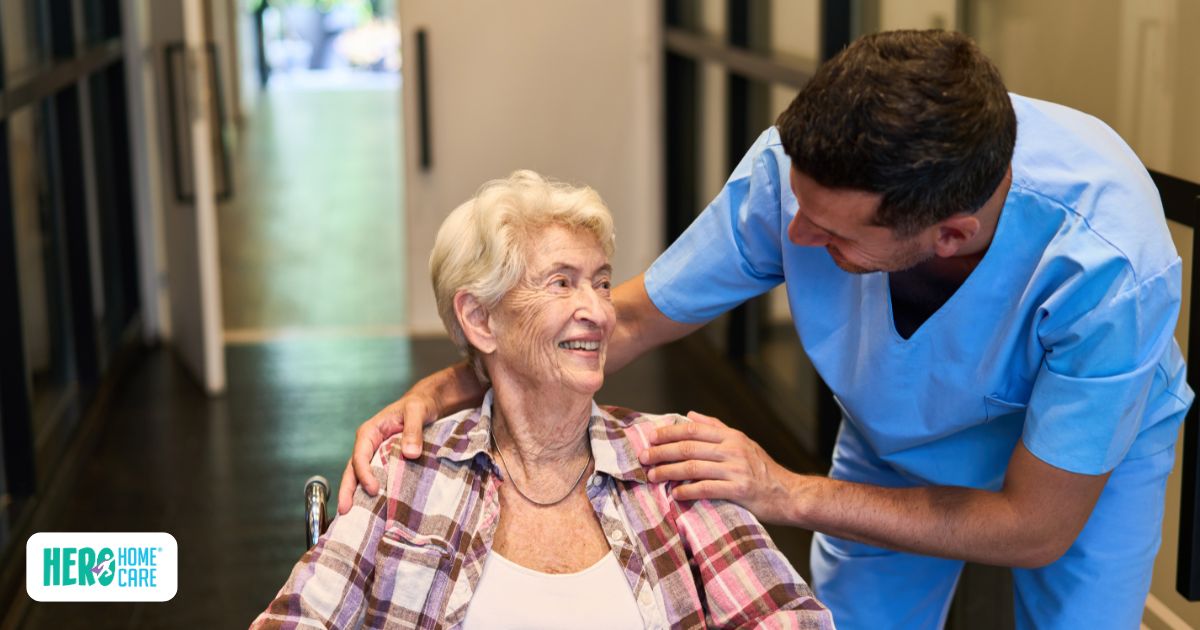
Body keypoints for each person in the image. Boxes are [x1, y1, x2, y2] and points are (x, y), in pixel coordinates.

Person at [341, 30, 1192, 628]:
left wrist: (784, 490)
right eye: (799, 208)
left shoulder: (1110, 265)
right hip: (894, 433)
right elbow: (629, 316)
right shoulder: (799, 177)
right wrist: (453, 380)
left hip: (1073, 476)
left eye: (831, 235)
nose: (794, 242)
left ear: (949, 234)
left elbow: (1034, 525)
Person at [254, 171, 834, 629]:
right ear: (480, 319)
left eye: (602, 281)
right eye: (562, 282)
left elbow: (786, 618)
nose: (601, 310)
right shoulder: (409, 473)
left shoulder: (670, 459)